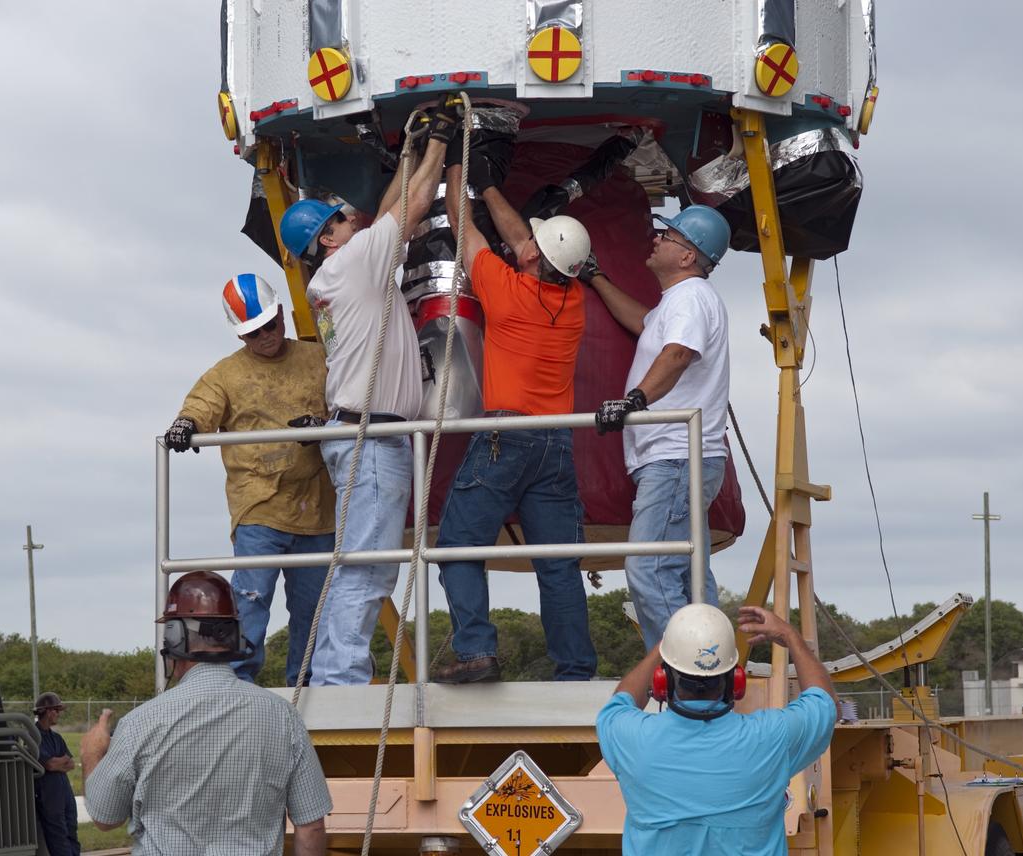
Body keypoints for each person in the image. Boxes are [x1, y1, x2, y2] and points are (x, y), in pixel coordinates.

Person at [277, 94, 456, 685]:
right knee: (366, 570)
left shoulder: (333, 273)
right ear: (329, 237)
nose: (352, 216)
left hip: (357, 432)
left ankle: (335, 670)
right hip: (373, 438)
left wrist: (411, 152)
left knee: (356, 563)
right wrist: (439, 144)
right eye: (341, 217)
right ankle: (340, 679)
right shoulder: (353, 263)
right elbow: (409, 211)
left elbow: (385, 215)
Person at [431, 154, 597, 683]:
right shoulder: (574, 302)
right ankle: (575, 670)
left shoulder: (505, 292)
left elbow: (464, 227)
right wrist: (492, 186)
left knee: (458, 546)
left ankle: (478, 651)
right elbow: (521, 238)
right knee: (558, 565)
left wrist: (460, 170)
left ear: (531, 258)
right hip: (556, 445)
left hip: (505, 436)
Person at [81, 571, 331, 856]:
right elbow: (310, 826)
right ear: (234, 636)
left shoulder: (140, 722)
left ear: (174, 638)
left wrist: (92, 753)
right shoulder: (284, 716)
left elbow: (104, 818)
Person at [164, 273, 334, 687]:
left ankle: (304, 687)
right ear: (240, 336)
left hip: (317, 509)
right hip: (258, 506)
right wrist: (186, 423)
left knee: (313, 610)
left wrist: (327, 423)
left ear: (280, 314)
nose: (264, 337)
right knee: (251, 602)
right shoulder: (225, 375)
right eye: (252, 333)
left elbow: (349, 402)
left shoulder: (319, 358)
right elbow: (202, 405)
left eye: (269, 326)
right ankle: (236, 687)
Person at [588, 204, 733, 646]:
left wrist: (634, 401)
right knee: (690, 575)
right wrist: (595, 277)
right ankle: (713, 672)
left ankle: (685, 670)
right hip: (686, 459)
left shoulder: (690, 298)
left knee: (648, 567)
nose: (656, 238)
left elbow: (677, 353)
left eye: (667, 236)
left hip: (675, 458)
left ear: (688, 256)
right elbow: (643, 322)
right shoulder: (681, 300)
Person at [597, 603, 836, 855]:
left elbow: (622, 700)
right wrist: (791, 636)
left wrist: (664, 646)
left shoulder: (629, 736)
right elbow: (824, 703)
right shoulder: (771, 737)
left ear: (662, 680)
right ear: (736, 680)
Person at [33, 691, 81, 856]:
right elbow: (51, 765)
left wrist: (57, 763)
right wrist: (59, 762)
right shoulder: (34, 736)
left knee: (71, 828)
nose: (59, 714)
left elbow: (71, 763)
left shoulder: (56, 737)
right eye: (57, 710)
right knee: (58, 835)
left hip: (64, 792)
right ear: (47, 711)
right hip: (49, 794)